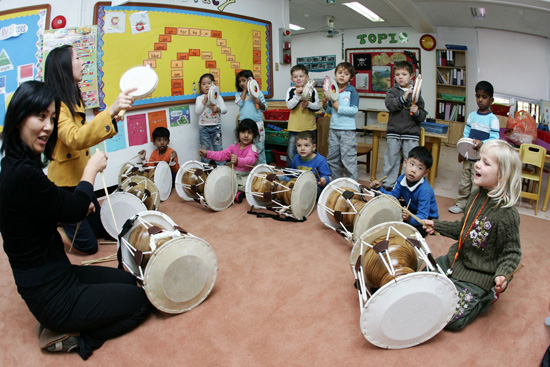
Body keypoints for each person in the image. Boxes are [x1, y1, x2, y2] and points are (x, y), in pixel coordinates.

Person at [0, 81, 152, 360]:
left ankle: (74, 320)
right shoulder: (21, 173)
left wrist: (77, 206)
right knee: (142, 302)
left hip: (60, 274)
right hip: (52, 294)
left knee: (129, 283)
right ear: (20, 117)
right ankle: (77, 338)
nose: (48, 126)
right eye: (40, 116)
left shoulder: (18, 164)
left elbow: (54, 203)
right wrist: (90, 170)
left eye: (51, 118)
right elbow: (71, 208)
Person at [44, 44, 135, 254]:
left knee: (103, 230)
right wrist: (110, 109)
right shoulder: (56, 104)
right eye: (77, 58)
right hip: (65, 186)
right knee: (88, 246)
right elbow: (75, 138)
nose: (82, 62)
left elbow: (83, 132)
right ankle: (53, 224)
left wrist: (116, 113)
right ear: (64, 67)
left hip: (82, 179)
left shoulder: (71, 97)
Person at [424, 139, 522, 330]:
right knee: (420, 280)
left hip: (478, 276)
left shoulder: (507, 214)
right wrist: (438, 226)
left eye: (486, 163)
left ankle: (486, 297)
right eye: (479, 159)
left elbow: (512, 253)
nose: (477, 164)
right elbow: (465, 229)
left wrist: (502, 275)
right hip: (455, 261)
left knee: (451, 319)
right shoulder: (476, 195)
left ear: (501, 176)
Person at [449, 80, 500, 214]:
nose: (480, 100)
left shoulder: (493, 119)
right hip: (468, 157)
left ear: (491, 100)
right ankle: (460, 204)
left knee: (476, 184)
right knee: (464, 182)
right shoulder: (471, 116)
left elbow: (494, 140)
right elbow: (465, 137)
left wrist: (482, 143)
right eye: (478, 96)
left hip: (481, 159)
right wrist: (461, 152)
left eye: (484, 97)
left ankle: (473, 208)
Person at [369, 146, 438, 237]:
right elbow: (393, 197)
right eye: (412, 164)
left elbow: (423, 215)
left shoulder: (425, 190)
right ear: (405, 163)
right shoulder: (402, 178)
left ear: (425, 173)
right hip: (411, 208)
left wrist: (409, 219)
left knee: (414, 232)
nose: (413, 170)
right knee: (390, 207)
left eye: (420, 168)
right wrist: (378, 189)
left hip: (426, 216)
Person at [381, 61, 427, 190]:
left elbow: (423, 115)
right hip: (393, 132)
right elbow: (390, 105)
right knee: (391, 159)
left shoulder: (417, 93)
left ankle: (405, 185)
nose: (400, 77)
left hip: (411, 134)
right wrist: (403, 98)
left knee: (410, 160)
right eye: (397, 74)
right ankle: (388, 184)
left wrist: (417, 112)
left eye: (404, 74)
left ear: (411, 75)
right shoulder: (392, 92)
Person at [199, 119, 259, 196]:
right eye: (243, 132)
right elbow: (221, 155)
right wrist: (207, 153)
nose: (246, 135)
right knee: (221, 182)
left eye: (249, 133)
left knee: (247, 186)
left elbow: (250, 160)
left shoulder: (253, 149)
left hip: (247, 176)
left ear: (254, 135)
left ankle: (239, 194)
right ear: (238, 133)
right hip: (234, 175)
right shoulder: (233, 146)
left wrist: (238, 160)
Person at [322, 62, 359, 181]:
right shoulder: (332, 90)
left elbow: (354, 110)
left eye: (346, 74)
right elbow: (330, 110)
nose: (342, 75)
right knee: (332, 159)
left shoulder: (352, 91)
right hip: (334, 129)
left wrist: (339, 108)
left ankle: (353, 186)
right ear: (335, 74)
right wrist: (324, 104)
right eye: (340, 73)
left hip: (347, 131)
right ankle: (338, 182)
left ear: (351, 78)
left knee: (348, 160)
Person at [285, 64, 321, 167]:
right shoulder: (291, 90)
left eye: (301, 76)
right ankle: (290, 174)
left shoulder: (312, 90)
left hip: (309, 127)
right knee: (292, 153)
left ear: (307, 77)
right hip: (294, 128)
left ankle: (311, 172)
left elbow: (317, 106)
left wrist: (308, 104)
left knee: (310, 152)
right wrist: (297, 95)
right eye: (295, 77)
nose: (298, 79)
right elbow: (289, 105)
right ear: (292, 79)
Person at [235, 70, 267, 165]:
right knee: (245, 146)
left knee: (259, 146)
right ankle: (246, 166)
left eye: (244, 80)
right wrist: (245, 89)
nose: (241, 83)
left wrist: (258, 101)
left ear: (250, 80)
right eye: (239, 81)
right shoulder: (238, 94)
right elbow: (240, 103)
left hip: (257, 123)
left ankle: (261, 167)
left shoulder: (258, 93)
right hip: (244, 124)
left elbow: (264, 108)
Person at [195, 73, 227, 165]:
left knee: (218, 148)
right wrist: (204, 101)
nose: (206, 86)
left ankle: (221, 167)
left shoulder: (218, 97)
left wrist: (218, 109)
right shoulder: (199, 98)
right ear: (200, 86)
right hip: (204, 128)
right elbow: (197, 112)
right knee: (204, 149)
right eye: (203, 84)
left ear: (213, 84)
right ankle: (206, 168)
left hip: (216, 127)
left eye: (209, 83)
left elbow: (225, 110)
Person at [290, 130, 331, 198]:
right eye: (299, 145)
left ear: (314, 147)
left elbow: (328, 177)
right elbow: (293, 174)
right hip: (299, 184)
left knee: (314, 190)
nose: (302, 148)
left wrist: (324, 180)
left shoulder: (320, 160)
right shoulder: (296, 158)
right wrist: (285, 174)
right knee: (283, 178)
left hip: (315, 187)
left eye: (306, 145)